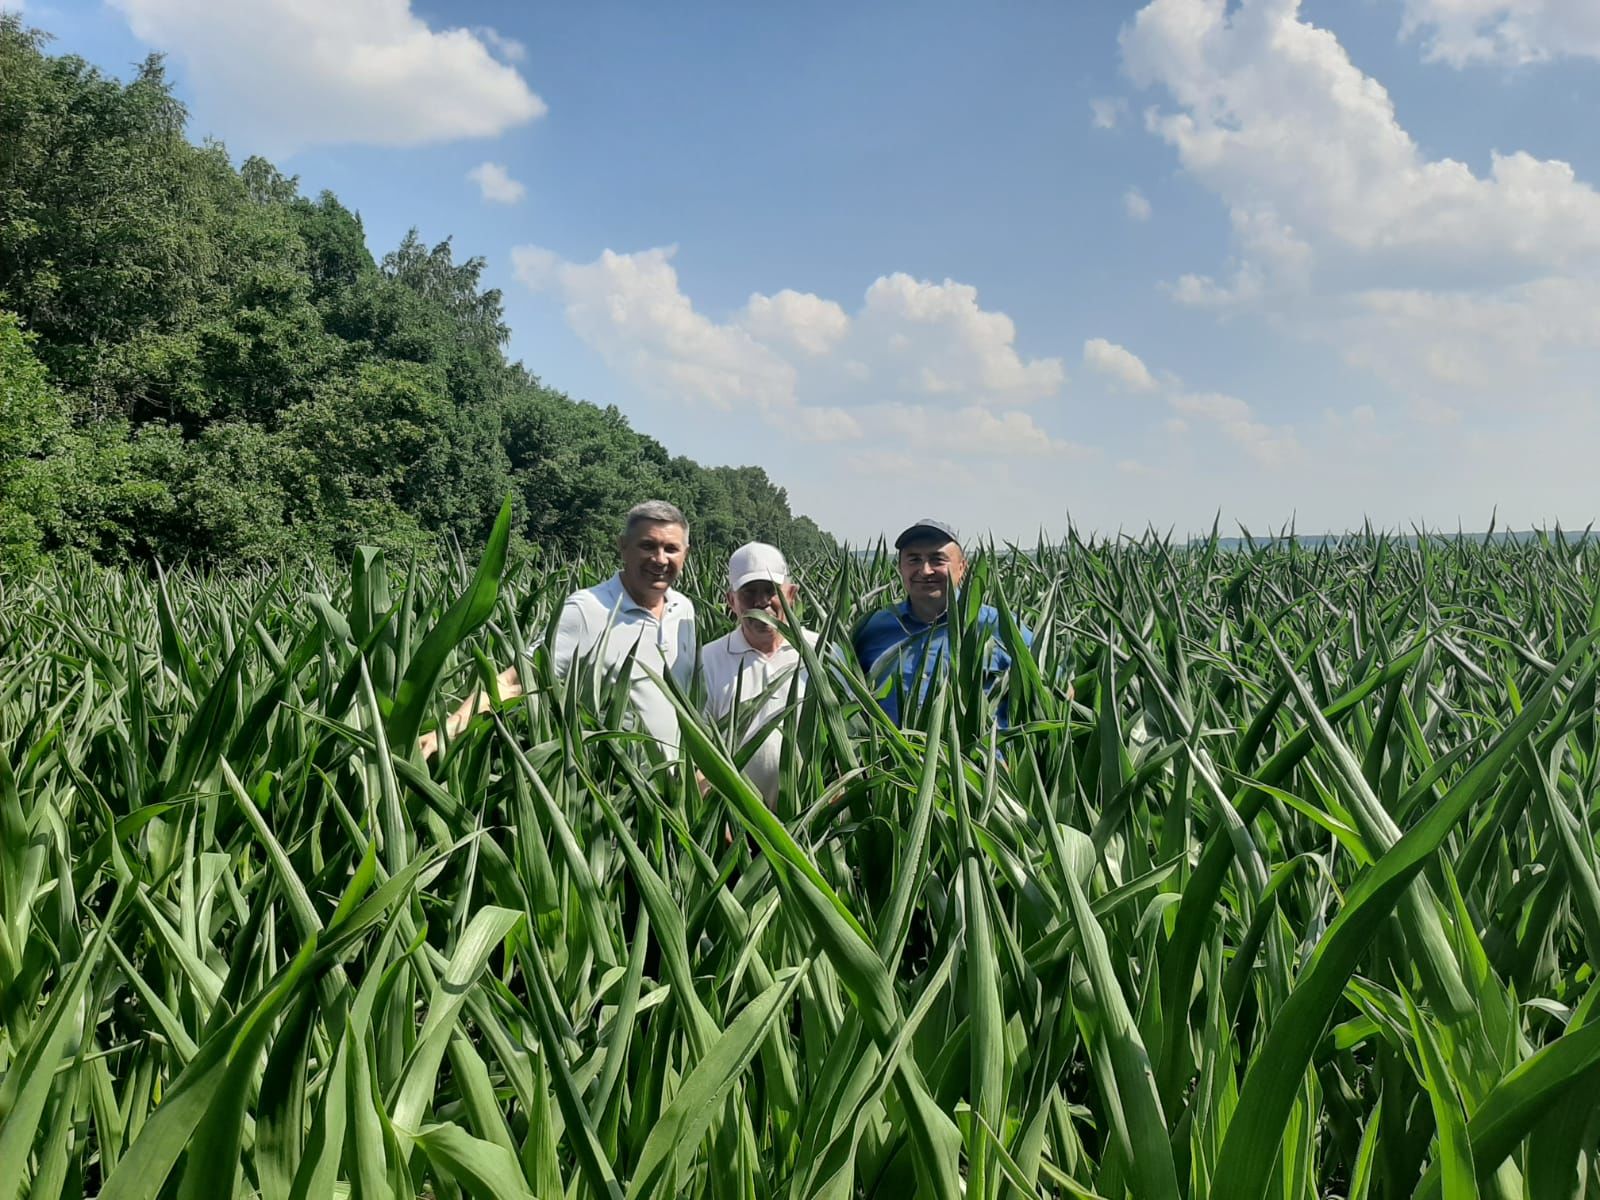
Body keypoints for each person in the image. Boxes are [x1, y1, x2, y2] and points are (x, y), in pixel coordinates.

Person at [419, 500, 697, 758]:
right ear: (623, 546)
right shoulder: (587, 611)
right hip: (613, 787)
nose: (660, 559)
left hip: (675, 790)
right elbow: (515, 682)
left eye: (671, 549)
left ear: (685, 553)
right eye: (648, 546)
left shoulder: (683, 610)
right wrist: (448, 729)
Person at [852, 517, 1034, 727]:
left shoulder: (999, 626)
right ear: (900, 567)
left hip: (977, 759)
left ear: (962, 567)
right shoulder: (871, 629)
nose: (925, 570)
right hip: (888, 758)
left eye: (937, 559)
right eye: (914, 559)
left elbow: (1056, 688)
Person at [698, 542, 817, 808]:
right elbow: (696, 753)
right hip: (735, 825)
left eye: (771, 591)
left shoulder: (822, 653)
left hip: (814, 823)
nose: (761, 601)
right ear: (731, 601)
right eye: (748, 592)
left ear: (791, 594)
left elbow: (848, 736)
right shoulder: (706, 662)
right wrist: (715, 815)